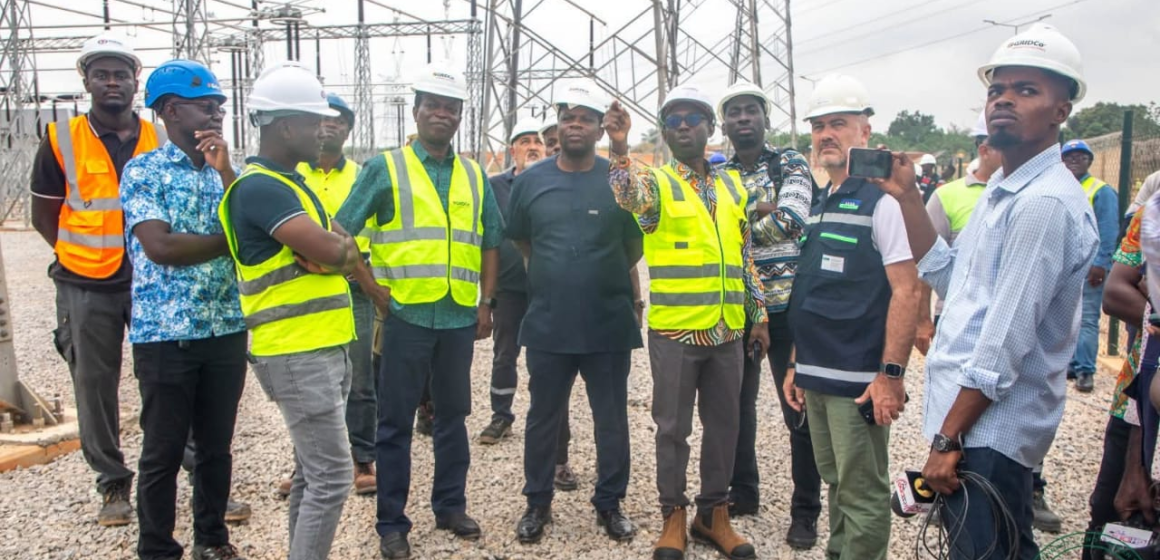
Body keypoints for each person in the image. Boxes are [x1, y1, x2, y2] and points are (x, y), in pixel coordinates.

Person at [882, 24, 1097, 559]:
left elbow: (1004, 343)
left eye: (1026, 91)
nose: (1003, 100)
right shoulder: (1004, 189)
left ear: (1060, 111)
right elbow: (953, 278)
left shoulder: (1043, 202)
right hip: (972, 426)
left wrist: (946, 441)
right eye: (997, 89)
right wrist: (909, 198)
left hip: (987, 431)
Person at [333, 63, 503, 560]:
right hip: (405, 315)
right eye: (433, 105)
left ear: (459, 117)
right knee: (394, 423)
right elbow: (343, 230)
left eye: (451, 108)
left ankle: (450, 506)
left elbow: (491, 241)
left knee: (453, 416)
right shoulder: (385, 168)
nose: (442, 114)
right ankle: (392, 523)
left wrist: (486, 303)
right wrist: (368, 285)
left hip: (456, 317)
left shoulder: (474, 173)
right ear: (417, 111)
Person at [606, 84, 768, 560]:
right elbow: (626, 194)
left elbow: (745, 256)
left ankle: (713, 515)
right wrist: (619, 147)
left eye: (691, 118)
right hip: (677, 332)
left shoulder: (733, 186)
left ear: (708, 129)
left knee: (726, 425)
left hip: (726, 331)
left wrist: (756, 313)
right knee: (672, 429)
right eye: (672, 120)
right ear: (663, 131)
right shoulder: (656, 184)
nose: (681, 126)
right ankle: (673, 515)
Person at [218, 61, 360, 560]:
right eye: (315, 121)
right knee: (333, 477)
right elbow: (337, 252)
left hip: (322, 345)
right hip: (296, 352)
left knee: (311, 471)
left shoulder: (291, 183)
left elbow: (344, 249)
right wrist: (337, 255)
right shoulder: (261, 188)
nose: (325, 130)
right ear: (285, 126)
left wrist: (338, 254)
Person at [782, 74, 920, 560]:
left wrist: (890, 376)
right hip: (817, 375)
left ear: (865, 131)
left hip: (858, 379)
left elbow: (907, 290)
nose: (826, 135)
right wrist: (798, 362)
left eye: (838, 123)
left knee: (861, 493)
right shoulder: (822, 201)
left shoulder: (882, 202)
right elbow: (813, 290)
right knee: (836, 481)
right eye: (819, 126)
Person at [28, 33, 163, 527]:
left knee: (165, 377)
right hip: (85, 282)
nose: (112, 82)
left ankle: (181, 469)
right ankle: (112, 483)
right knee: (94, 383)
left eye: (121, 74)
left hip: (150, 279)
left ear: (135, 82)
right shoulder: (61, 138)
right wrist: (76, 255)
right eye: (102, 74)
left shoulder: (158, 138)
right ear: (86, 81)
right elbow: (46, 215)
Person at [119, 59, 245, 560]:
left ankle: (211, 540)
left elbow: (250, 227)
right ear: (171, 110)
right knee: (163, 451)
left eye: (219, 107)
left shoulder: (225, 172)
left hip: (225, 328)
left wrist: (228, 171)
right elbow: (161, 247)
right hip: (166, 334)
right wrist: (230, 239)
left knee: (216, 449)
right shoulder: (143, 171)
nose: (216, 115)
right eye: (205, 106)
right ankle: (156, 548)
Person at [509, 81, 643, 545]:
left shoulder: (618, 178)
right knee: (543, 417)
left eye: (586, 117)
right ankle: (537, 503)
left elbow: (633, 244)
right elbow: (524, 240)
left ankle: (610, 503)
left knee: (611, 419)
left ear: (599, 127)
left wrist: (595, 274)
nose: (576, 125)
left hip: (607, 322)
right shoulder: (530, 182)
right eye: (568, 117)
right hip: (548, 322)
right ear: (558, 125)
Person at [715, 81, 820, 549]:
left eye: (750, 111)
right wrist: (760, 208)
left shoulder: (791, 162)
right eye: (734, 112)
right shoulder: (719, 171)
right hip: (739, 311)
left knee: (798, 409)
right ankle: (744, 492)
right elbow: (712, 224)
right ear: (725, 124)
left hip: (789, 308)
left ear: (764, 118)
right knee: (736, 409)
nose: (742, 119)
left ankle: (805, 511)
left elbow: (792, 220)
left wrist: (738, 220)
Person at [288, 92, 379, 497]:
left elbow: (373, 231)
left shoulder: (362, 176)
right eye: (322, 119)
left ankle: (362, 459)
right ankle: (304, 467)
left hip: (352, 287)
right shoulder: (290, 175)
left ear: (347, 129)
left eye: (339, 120)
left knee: (358, 379)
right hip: (302, 289)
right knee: (306, 382)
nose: (330, 126)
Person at [1089, 209, 1153, 559]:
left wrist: (1151, 305)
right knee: (1108, 517)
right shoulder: (1155, 210)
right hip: (1134, 401)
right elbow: (1114, 294)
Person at [915, 112, 1000, 349]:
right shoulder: (946, 196)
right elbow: (926, 263)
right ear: (983, 148)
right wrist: (922, 319)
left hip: (1003, 321)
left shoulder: (1025, 195)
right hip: (954, 313)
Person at [1062, 138, 1119, 393]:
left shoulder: (1101, 190)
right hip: (1064, 266)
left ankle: (1086, 370)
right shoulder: (1061, 188)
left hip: (1089, 266)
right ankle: (1072, 364)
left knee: (1086, 319)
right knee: (1065, 317)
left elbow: (1109, 230)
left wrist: (1101, 262)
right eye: (1069, 157)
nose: (1074, 160)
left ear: (1089, 161)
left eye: (1080, 156)